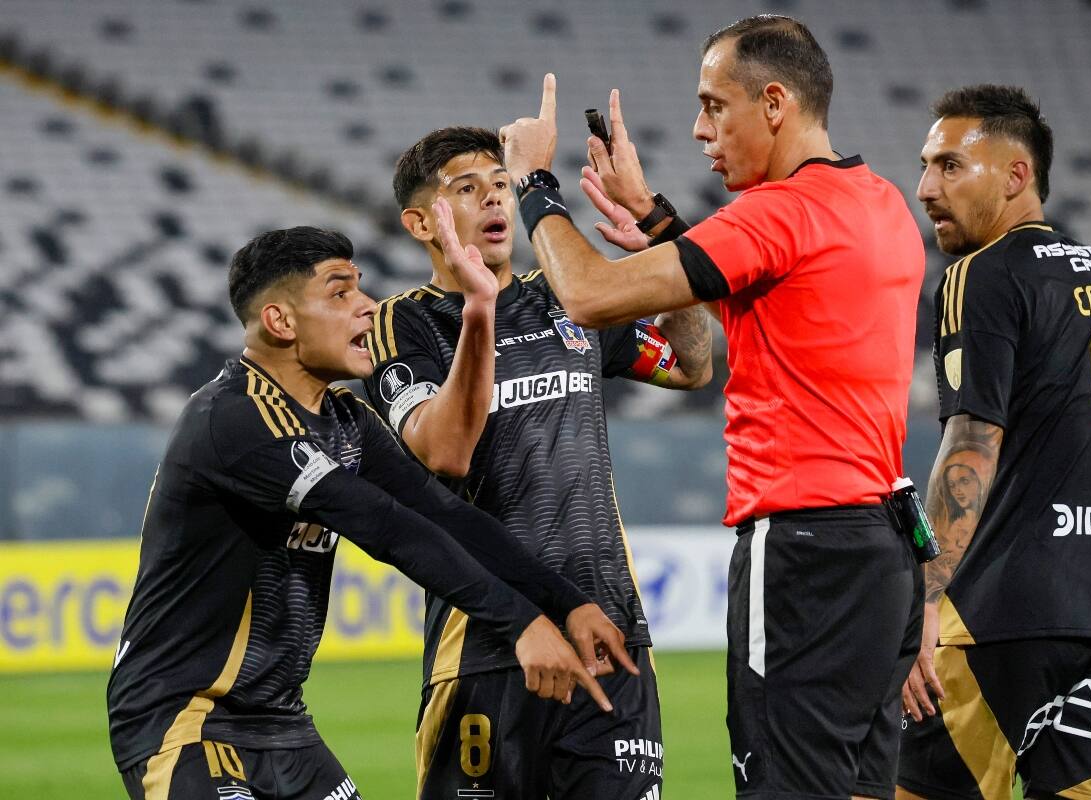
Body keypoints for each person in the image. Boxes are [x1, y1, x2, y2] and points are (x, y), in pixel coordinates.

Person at [493, 14, 927, 799]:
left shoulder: (778, 212)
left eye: (712, 106)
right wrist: (658, 220)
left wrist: (532, 184)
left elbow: (587, 295)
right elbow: (771, 306)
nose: (699, 129)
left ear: (773, 102)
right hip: (882, 552)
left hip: (802, 551)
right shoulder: (880, 202)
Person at [106, 226, 633, 800]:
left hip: (283, 723)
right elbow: (389, 529)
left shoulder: (346, 420)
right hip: (185, 719)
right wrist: (522, 623)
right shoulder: (234, 419)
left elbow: (444, 515)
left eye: (360, 287)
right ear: (281, 322)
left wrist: (566, 603)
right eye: (339, 294)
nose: (368, 305)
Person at [364, 126, 712, 799]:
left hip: (612, 637)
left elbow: (692, 367)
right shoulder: (404, 324)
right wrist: (479, 313)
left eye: (500, 184)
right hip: (488, 647)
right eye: (467, 190)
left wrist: (667, 271)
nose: (495, 201)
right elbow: (444, 451)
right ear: (419, 222)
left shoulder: (567, 300)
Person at [897, 85, 1091, 800]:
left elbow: (973, 441)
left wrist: (921, 597)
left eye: (950, 166)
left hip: (1000, 616)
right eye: (925, 166)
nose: (925, 189)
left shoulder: (980, 273)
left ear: (1016, 175)